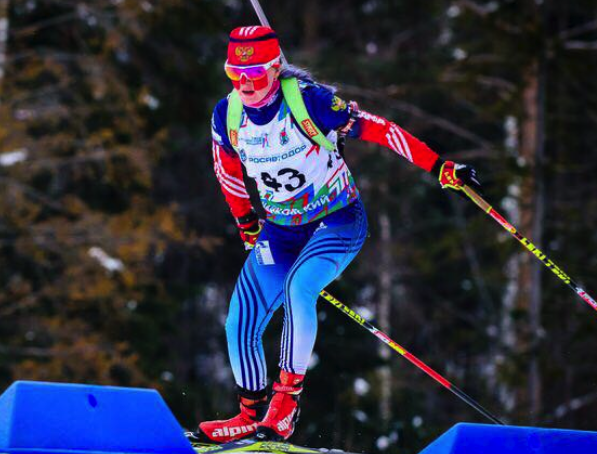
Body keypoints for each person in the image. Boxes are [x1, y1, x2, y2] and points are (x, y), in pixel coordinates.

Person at [194, 26, 481, 443]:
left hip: (338, 219)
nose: (246, 85)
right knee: (240, 318)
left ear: (275, 69)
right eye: (235, 76)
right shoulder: (228, 115)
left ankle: (285, 405)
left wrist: (439, 167)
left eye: (255, 75)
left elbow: (382, 129)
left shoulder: (311, 101)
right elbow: (228, 174)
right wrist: (246, 223)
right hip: (280, 231)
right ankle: (249, 414)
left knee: (298, 289)